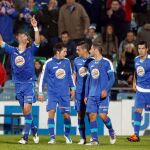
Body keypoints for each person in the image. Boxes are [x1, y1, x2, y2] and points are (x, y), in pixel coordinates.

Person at [0, 16, 40, 144]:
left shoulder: (30, 50)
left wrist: (35, 27)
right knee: (25, 111)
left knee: (28, 110)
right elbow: (1, 42)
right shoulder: (12, 51)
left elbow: (38, 41)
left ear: (27, 40)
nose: (21, 35)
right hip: (18, 84)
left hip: (29, 83)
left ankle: (25, 138)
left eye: (23, 34)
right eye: (20, 34)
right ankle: (34, 129)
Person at [38, 43, 76, 144]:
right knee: (51, 113)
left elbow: (69, 76)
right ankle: (52, 138)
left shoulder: (67, 62)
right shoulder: (48, 63)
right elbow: (43, 78)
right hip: (52, 93)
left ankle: (67, 135)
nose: (66, 53)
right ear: (58, 52)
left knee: (67, 115)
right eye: (64, 51)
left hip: (64, 93)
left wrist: (73, 89)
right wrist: (40, 92)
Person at [84, 42, 116, 145]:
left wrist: (106, 90)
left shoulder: (107, 62)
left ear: (96, 50)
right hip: (92, 95)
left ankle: (111, 130)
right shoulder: (91, 64)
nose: (89, 51)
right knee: (92, 116)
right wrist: (86, 95)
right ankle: (95, 140)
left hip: (103, 95)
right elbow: (88, 81)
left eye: (91, 49)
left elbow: (112, 78)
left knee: (102, 116)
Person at [127, 41, 150, 142]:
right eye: (139, 48)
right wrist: (134, 82)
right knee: (137, 111)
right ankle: (136, 135)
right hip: (140, 90)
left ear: (147, 49)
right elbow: (136, 72)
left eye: (143, 48)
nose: (141, 50)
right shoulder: (136, 59)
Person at [73, 41, 94, 144]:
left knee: (91, 115)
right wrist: (73, 89)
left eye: (78, 50)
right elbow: (74, 75)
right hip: (79, 92)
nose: (77, 52)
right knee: (80, 115)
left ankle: (93, 137)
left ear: (85, 49)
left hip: (90, 92)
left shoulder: (93, 60)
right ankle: (82, 138)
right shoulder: (76, 60)